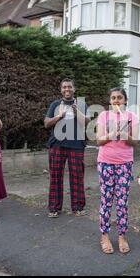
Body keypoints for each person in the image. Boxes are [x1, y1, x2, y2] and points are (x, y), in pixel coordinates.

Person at [96, 88, 139, 254]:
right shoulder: (103, 116)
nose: (116, 101)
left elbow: (135, 142)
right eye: (113, 98)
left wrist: (125, 135)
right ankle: (104, 236)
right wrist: (113, 133)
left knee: (122, 201)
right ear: (110, 101)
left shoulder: (131, 117)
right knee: (106, 200)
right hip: (106, 162)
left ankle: (122, 236)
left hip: (124, 164)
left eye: (119, 98)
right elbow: (99, 141)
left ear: (125, 101)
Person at [44, 78, 90, 218]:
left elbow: (87, 122)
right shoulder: (55, 104)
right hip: (57, 145)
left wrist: (77, 112)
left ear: (74, 89)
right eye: (64, 87)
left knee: (77, 177)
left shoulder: (82, 104)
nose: (67, 89)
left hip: (76, 146)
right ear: (61, 89)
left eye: (69, 87)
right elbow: (46, 123)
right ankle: (54, 208)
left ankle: (77, 207)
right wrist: (58, 116)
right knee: (55, 177)